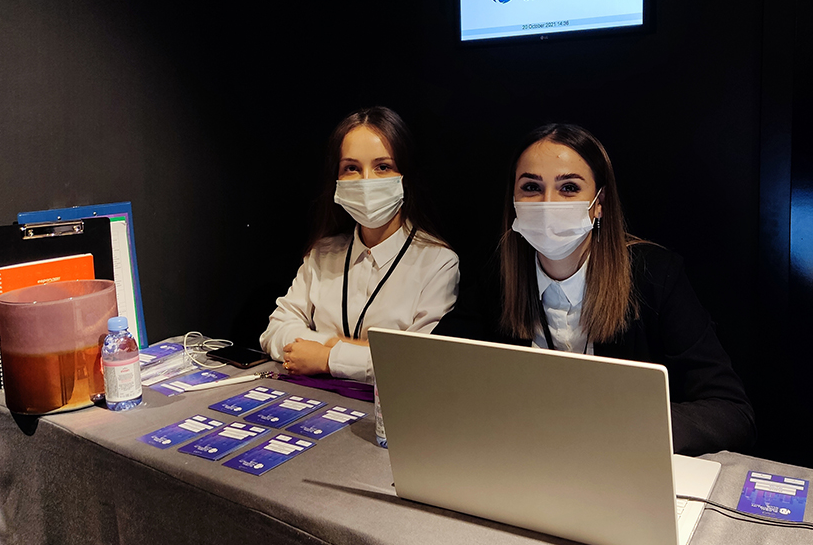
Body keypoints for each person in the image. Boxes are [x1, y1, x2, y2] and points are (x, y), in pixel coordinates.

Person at [437, 123, 755, 456]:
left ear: (599, 202)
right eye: (531, 187)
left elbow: (731, 411)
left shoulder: (655, 276)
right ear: (514, 200)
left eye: (569, 188)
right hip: (523, 460)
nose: (548, 204)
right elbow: (434, 370)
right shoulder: (497, 277)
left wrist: (628, 428)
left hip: (623, 462)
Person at [260, 106, 459, 384]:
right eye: (351, 168)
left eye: (383, 167)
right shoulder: (323, 252)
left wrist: (326, 358)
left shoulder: (437, 262)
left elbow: (416, 363)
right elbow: (275, 331)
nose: (366, 181)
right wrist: (347, 348)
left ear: (405, 176)